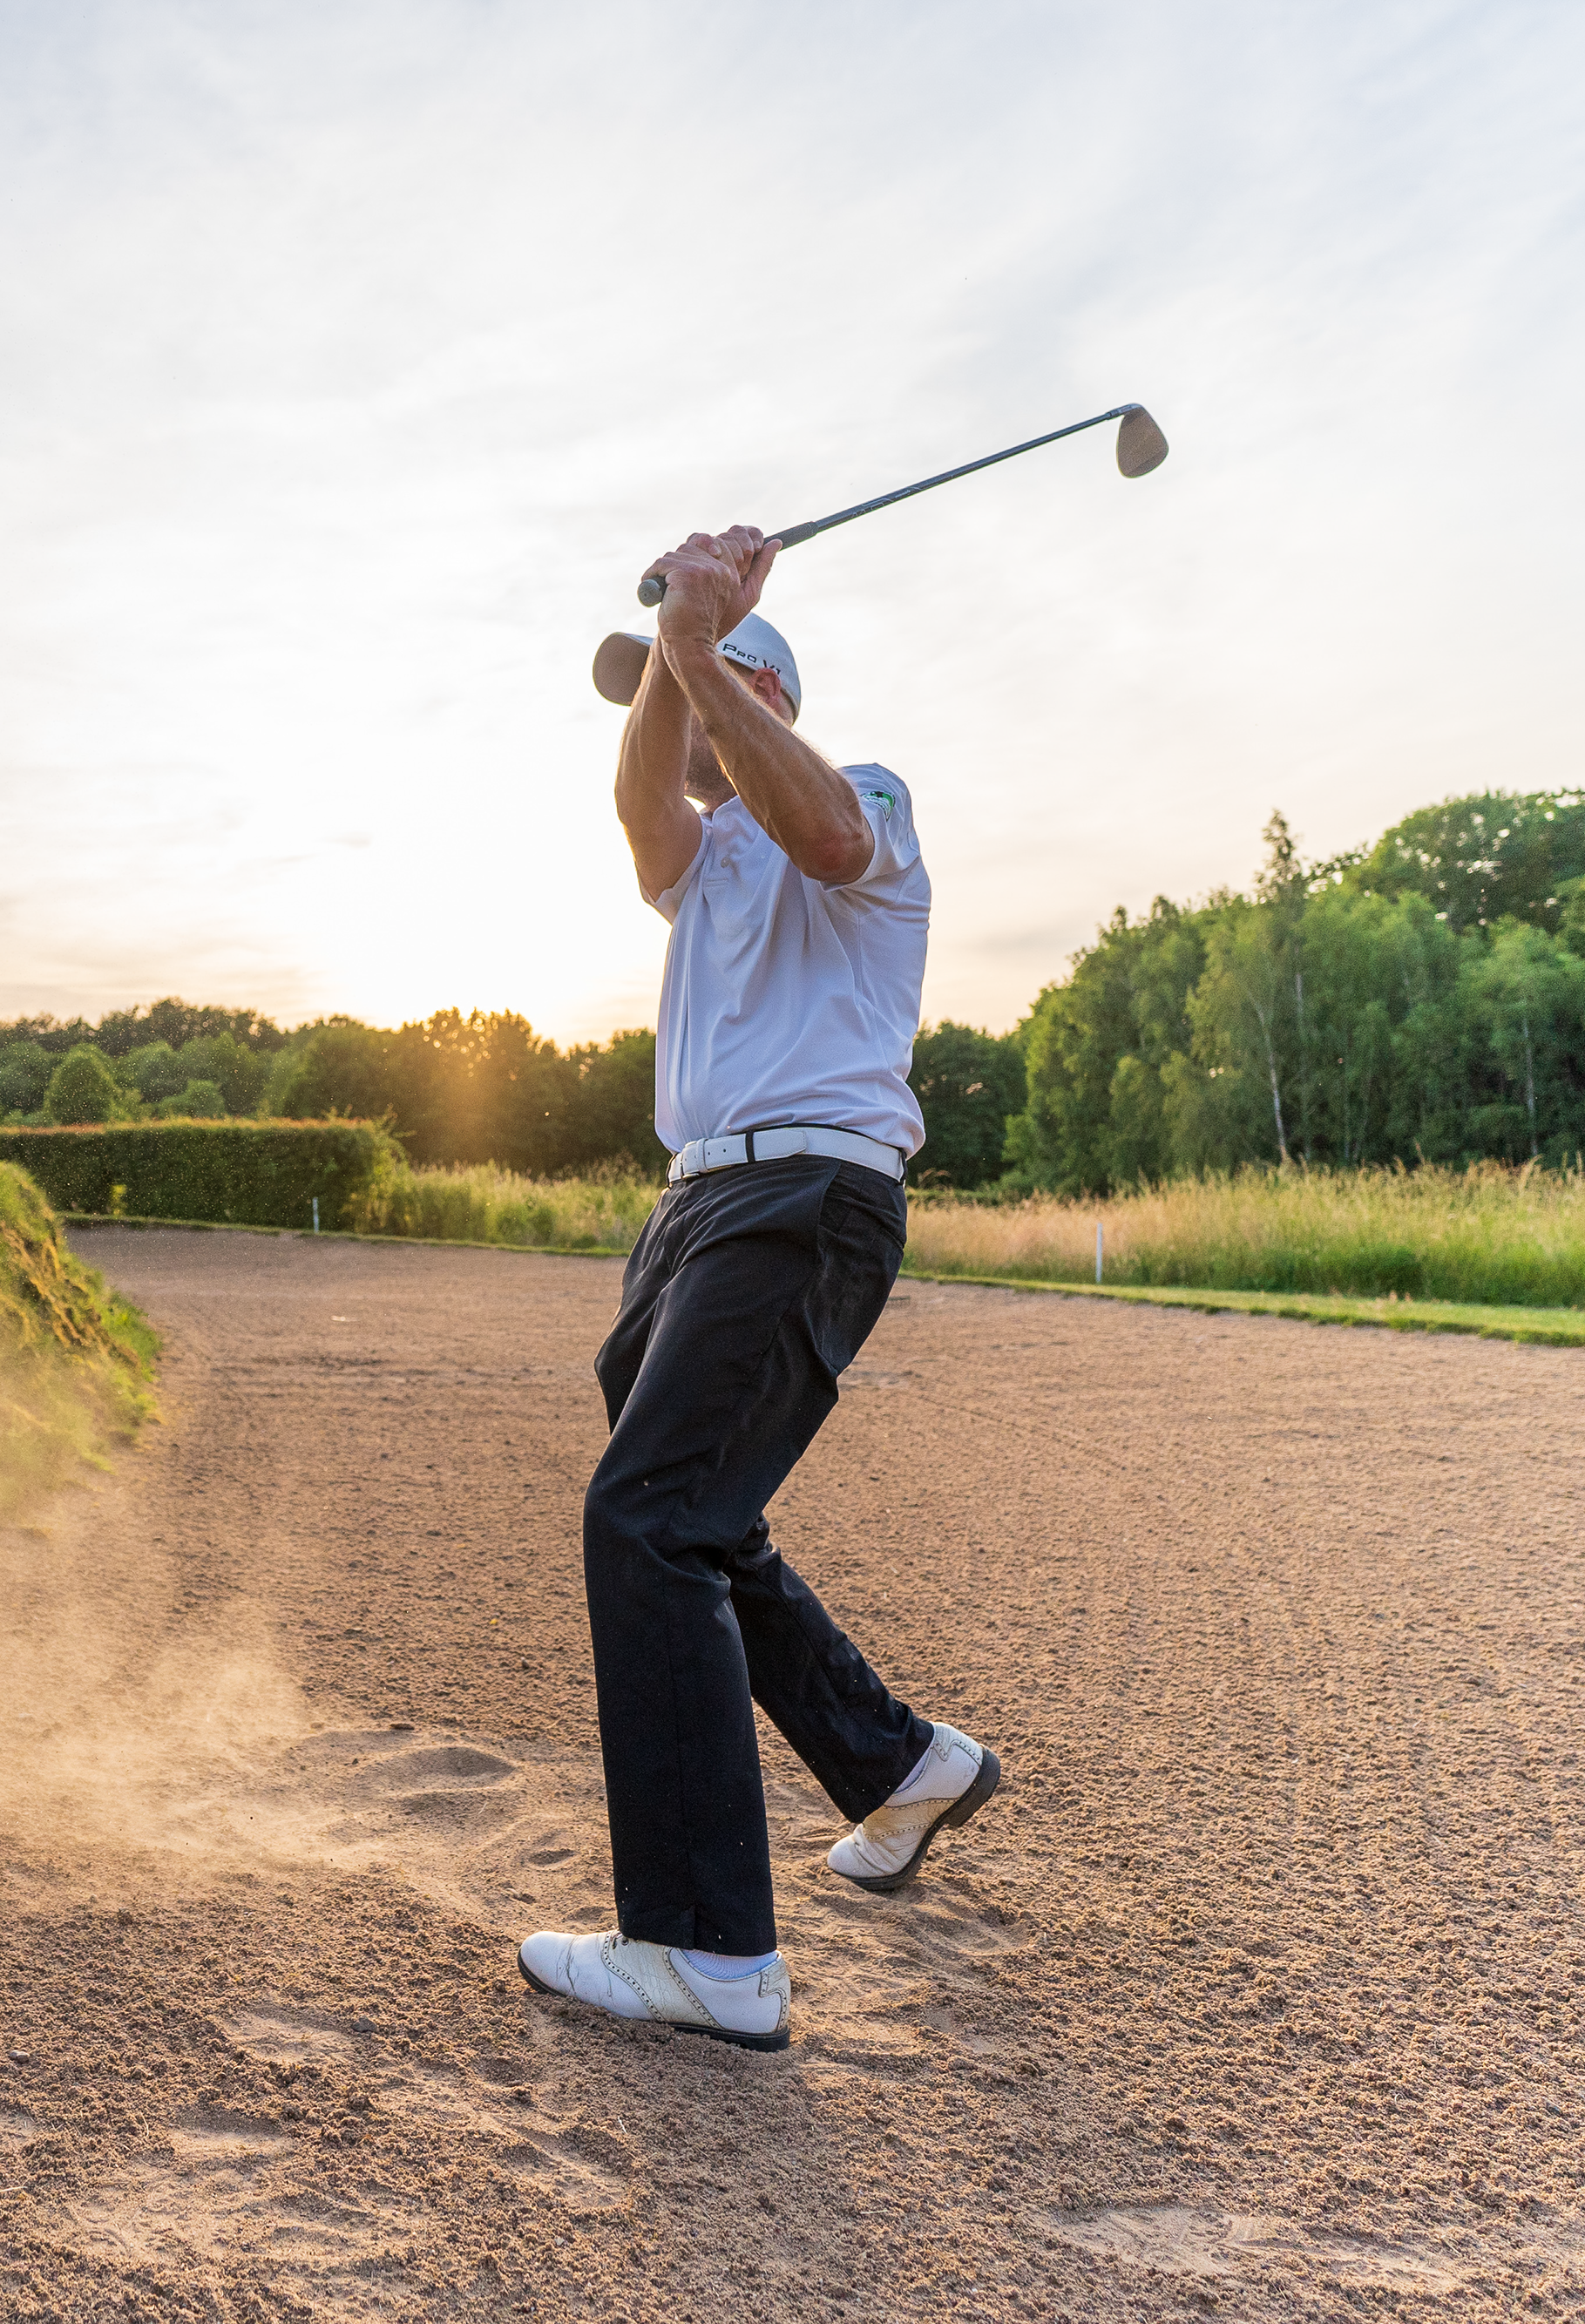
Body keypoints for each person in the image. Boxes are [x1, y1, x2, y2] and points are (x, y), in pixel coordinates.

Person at [518, 525, 1001, 2052]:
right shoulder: (700, 865)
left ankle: (707, 1947)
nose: (668, 706)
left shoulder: (866, 803)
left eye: (701, 683)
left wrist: (702, 641)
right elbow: (641, 806)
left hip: (808, 1192)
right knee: (695, 1516)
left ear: (763, 691)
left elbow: (824, 834)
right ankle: (899, 1761)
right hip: (696, 1208)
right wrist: (681, 639)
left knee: (647, 1517)